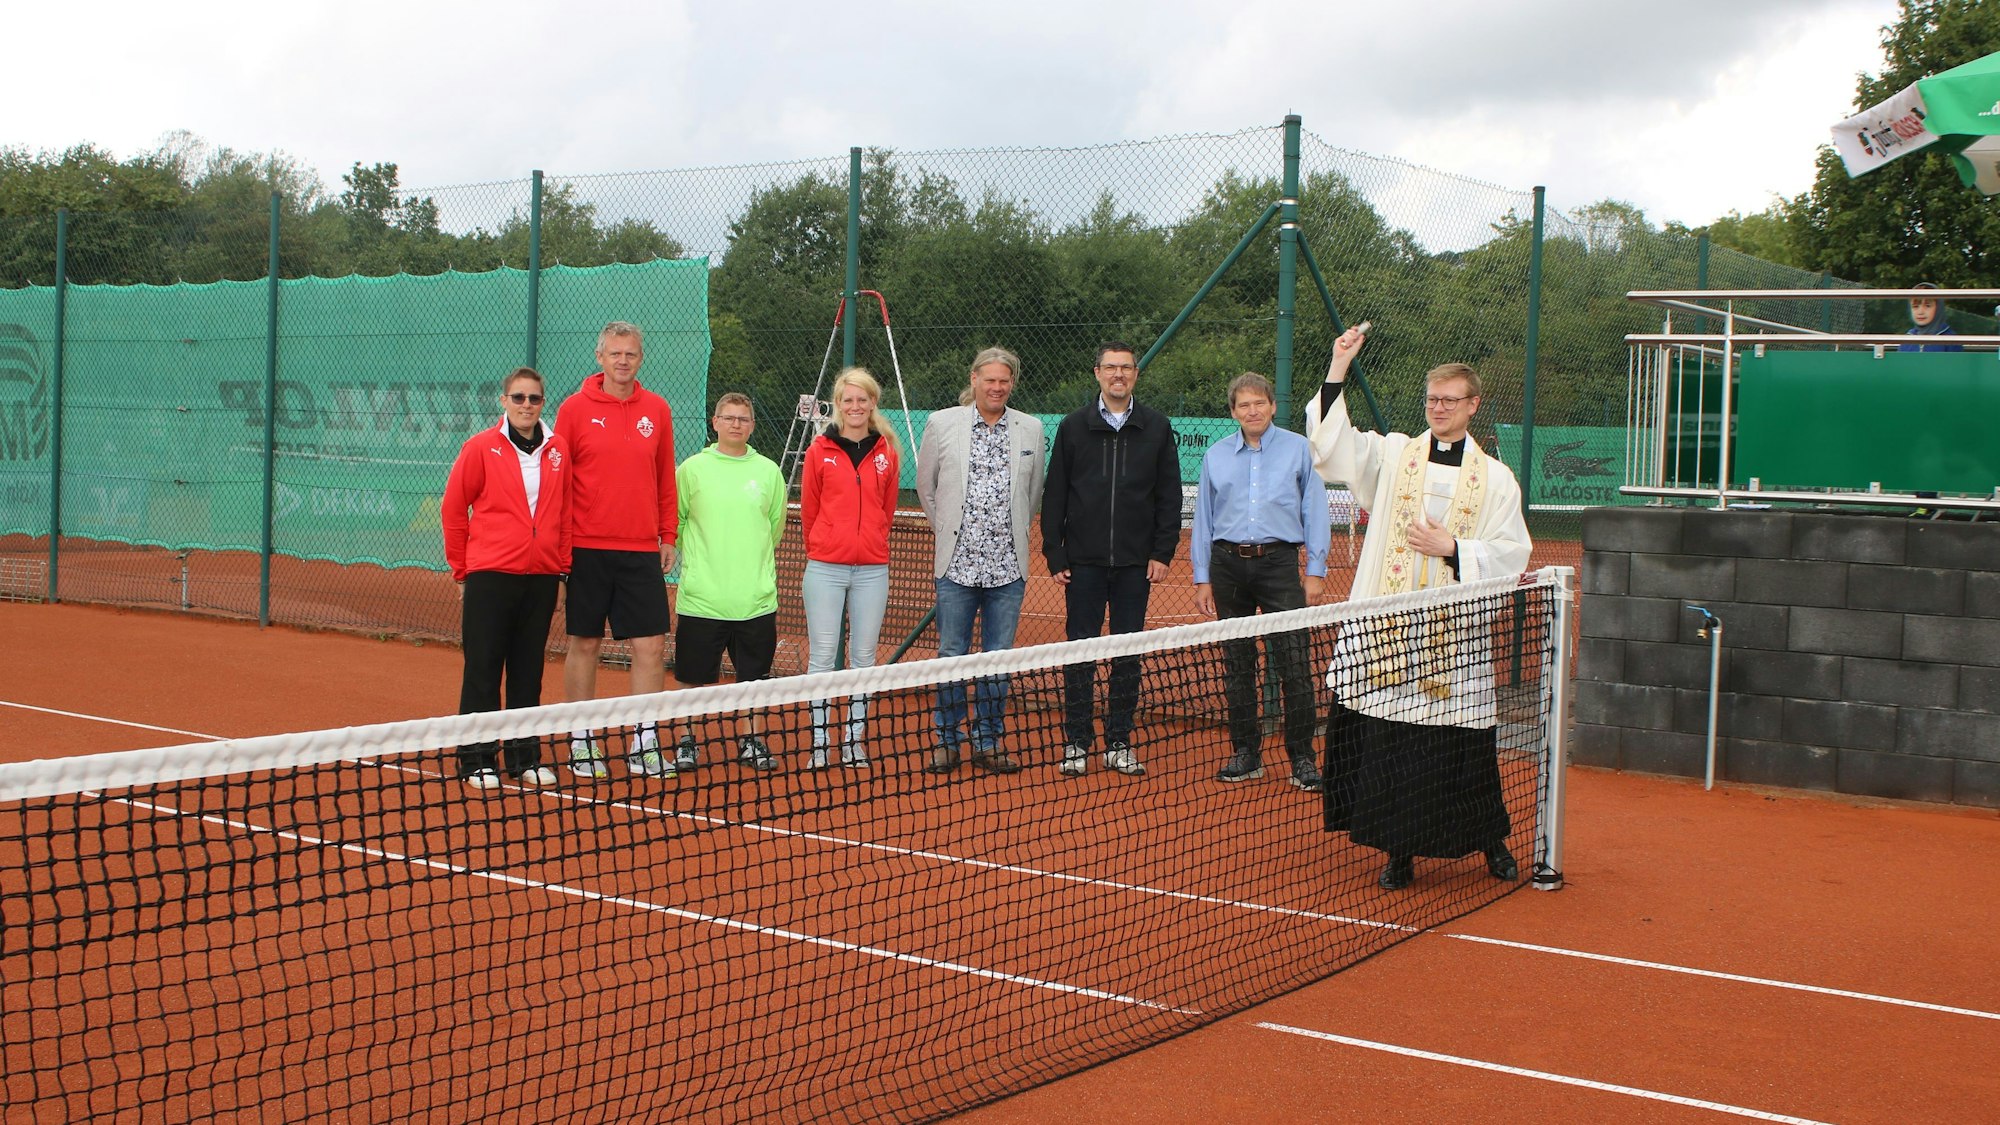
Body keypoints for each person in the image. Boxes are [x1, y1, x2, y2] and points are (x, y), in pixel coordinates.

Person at [1306, 326, 1532, 891]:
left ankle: (1489, 841)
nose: (1439, 408)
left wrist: (1453, 550)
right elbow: (1332, 449)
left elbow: (1513, 552)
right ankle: (1398, 851)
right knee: (1390, 744)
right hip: (1387, 631)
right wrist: (1338, 366)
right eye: (1432, 399)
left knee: (1459, 746)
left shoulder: (1497, 480)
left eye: (1450, 400)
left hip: (1452, 644)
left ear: (1472, 405)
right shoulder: (1393, 455)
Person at [1042, 341, 1181, 778]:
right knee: (1080, 653)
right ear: (1097, 373)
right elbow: (1055, 495)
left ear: (1136, 375)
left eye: (1126, 368)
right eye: (1110, 368)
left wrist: (1161, 552)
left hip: (1135, 567)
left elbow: (1169, 496)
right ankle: (1076, 743)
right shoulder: (1073, 426)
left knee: (1127, 655)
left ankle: (1119, 741)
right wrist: (1055, 552)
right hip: (1082, 564)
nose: (1118, 375)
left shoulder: (1157, 427)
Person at [1191, 372, 1332, 792]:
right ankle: (1246, 753)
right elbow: (1204, 520)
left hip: (1279, 566)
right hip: (1227, 567)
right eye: (1243, 405)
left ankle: (1302, 758)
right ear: (1233, 412)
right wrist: (1202, 578)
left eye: (1259, 403)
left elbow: (1315, 510)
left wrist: (1316, 571)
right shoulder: (1216, 455)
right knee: (1237, 665)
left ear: (1272, 406)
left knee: (1294, 663)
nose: (1252, 411)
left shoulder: (1298, 450)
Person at [553, 321, 678, 780]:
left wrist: (668, 535)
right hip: (586, 548)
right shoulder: (573, 410)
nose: (623, 361)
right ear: (599, 357)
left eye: (631, 354)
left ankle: (643, 743)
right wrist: (562, 546)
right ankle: (581, 740)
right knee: (584, 642)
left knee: (650, 646)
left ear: (640, 358)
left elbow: (665, 477)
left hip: (641, 550)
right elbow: (560, 482)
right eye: (615, 353)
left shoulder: (657, 410)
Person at [915, 346, 1046, 775]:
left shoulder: (1031, 428)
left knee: (997, 657)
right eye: (988, 379)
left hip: (1008, 568)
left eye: (1003, 380)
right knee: (952, 653)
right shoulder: (941, 423)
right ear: (973, 380)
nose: (996, 386)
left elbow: (1034, 493)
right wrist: (950, 530)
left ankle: (987, 742)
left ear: (1012, 383)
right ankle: (947, 741)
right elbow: (927, 488)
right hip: (956, 566)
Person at [440, 368, 571, 793]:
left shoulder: (557, 450)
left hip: (541, 577)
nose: (526, 405)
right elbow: (454, 509)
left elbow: (564, 515)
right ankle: (476, 760)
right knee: (483, 670)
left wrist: (562, 568)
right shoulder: (480, 448)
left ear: (542, 402)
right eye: (518, 398)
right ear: (504, 401)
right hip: (490, 576)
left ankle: (523, 757)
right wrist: (463, 570)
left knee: (527, 672)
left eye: (534, 398)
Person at [668, 392, 785, 773]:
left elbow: (775, 527)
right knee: (690, 678)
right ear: (715, 422)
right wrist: (704, 562)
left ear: (752, 426)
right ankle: (687, 742)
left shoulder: (769, 471)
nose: (736, 424)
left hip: (755, 599)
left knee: (753, 681)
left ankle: (751, 740)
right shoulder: (691, 469)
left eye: (743, 418)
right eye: (728, 417)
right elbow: (678, 522)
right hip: (703, 599)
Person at [800, 367, 900, 769]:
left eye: (863, 399)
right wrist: (826, 545)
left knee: (863, 657)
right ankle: (821, 742)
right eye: (848, 400)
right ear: (838, 405)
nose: (855, 406)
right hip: (825, 568)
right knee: (823, 656)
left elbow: (886, 510)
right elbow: (810, 510)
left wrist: (871, 541)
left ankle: (853, 741)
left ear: (873, 403)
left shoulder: (887, 451)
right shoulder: (818, 450)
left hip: (872, 570)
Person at [1899, 282, 1963, 352]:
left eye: (1928, 306)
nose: (1920, 312)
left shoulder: (1950, 340)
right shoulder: (1907, 339)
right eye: (1915, 306)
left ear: (1938, 308)